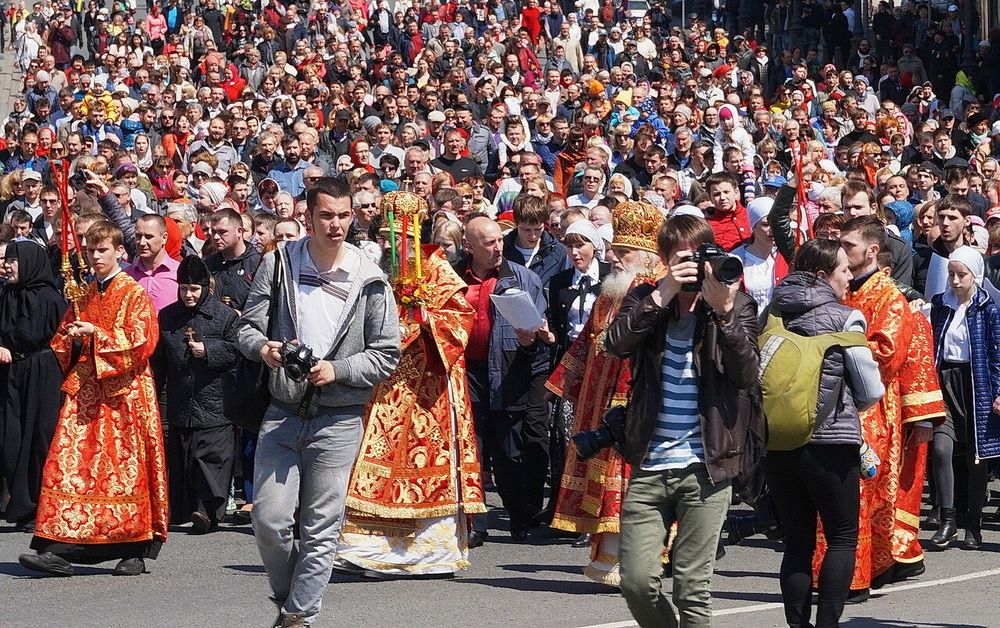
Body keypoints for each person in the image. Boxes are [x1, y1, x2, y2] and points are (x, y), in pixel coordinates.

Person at [236, 179, 401, 627]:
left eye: (344, 215)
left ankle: (298, 617)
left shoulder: (370, 277)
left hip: (340, 418)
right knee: (269, 522)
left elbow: (387, 352)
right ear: (308, 216)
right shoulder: (279, 263)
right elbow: (246, 328)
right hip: (283, 411)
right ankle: (290, 598)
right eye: (327, 215)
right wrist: (263, 349)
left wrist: (338, 370)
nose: (336, 224)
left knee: (320, 527)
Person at [605, 214, 760, 627]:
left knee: (692, 587)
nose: (692, 268)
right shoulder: (645, 298)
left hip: (706, 466)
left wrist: (723, 311)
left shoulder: (737, 304)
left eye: (698, 258)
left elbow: (746, 374)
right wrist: (663, 294)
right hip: (650, 462)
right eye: (681, 260)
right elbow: (615, 344)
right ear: (665, 260)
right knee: (636, 582)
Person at [334, 191, 485, 577]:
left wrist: (419, 320)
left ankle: (428, 553)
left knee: (423, 462)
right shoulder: (376, 270)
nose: (389, 244)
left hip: (428, 392)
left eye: (395, 237)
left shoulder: (439, 270)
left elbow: (458, 325)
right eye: (384, 236)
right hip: (385, 385)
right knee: (373, 461)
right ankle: (368, 549)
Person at [19, 221, 168, 577]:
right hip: (86, 391)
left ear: (119, 251)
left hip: (125, 396)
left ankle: (135, 548)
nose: (95, 256)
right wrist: (70, 337)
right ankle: (58, 546)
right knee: (69, 464)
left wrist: (97, 334)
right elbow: (63, 338)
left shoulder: (133, 293)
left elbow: (142, 340)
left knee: (124, 472)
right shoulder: (83, 292)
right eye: (89, 250)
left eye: (101, 249)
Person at [764, 239, 884, 627]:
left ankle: (797, 625)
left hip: (779, 442)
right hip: (831, 443)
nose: (850, 277)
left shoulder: (773, 313)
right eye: (844, 270)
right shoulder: (845, 317)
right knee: (842, 537)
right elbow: (870, 389)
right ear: (822, 276)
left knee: (797, 541)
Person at [547, 200, 665, 586]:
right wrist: (559, 384)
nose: (614, 257)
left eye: (624, 253)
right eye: (615, 249)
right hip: (598, 399)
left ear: (647, 257)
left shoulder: (658, 291)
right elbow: (586, 341)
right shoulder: (612, 291)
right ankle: (609, 556)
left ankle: (639, 559)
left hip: (632, 399)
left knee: (631, 481)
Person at [818, 216, 927, 601]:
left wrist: (829, 348)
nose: (842, 251)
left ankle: (854, 578)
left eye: (849, 245)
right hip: (832, 402)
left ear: (872, 250)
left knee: (858, 493)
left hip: (871, 408)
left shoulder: (890, 298)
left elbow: (885, 355)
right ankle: (837, 573)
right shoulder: (840, 289)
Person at [454, 215, 551, 543]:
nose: (498, 248)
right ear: (469, 246)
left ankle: (520, 518)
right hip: (466, 372)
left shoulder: (523, 277)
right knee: (472, 450)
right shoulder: (452, 275)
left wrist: (531, 338)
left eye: (500, 240)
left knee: (509, 452)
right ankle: (474, 524)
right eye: (489, 242)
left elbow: (539, 328)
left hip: (509, 371)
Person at [153, 256, 239, 534]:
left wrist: (209, 351)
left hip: (215, 401)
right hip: (181, 400)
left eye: (194, 289)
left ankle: (207, 512)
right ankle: (183, 509)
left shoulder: (224, 316)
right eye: (183, 289)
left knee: (211, 458)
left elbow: (238, 351)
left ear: (205, 288)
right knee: (185, 459)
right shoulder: (168, 316)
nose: (188, 295)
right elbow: (160, 360)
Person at [929, 247, 1000, 551]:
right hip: (945, 381)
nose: (956, 281)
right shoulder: (939, 305)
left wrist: (999, 391)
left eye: (962, 275)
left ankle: (973, 524)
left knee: (976, 457)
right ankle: (947, 521)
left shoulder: (988, 309)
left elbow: (996, 354)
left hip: (976, 385)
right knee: (942, 449)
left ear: (976, 276)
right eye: (952, 274)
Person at [0, 241, 67, 531]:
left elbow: (65, 338)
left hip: (43, 371)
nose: (8, 265)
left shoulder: (51, 299)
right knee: (10, 438)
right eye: (8, 259)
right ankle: (20, 504)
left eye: (14, 260)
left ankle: (40, 506)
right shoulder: (4, 295)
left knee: (40, 437)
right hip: (10, 371)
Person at [126, 214, 179, 312]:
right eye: (138, 236)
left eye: (148, 236)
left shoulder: (179, 273)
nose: (142, 242)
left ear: (164, 238)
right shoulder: (126, 276)